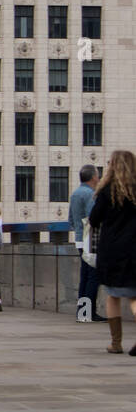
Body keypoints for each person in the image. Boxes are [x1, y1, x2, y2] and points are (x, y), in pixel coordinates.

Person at [88, 151, 136, 355]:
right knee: (134, 296)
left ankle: (116, 343)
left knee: (113, 296)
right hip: (135, 248)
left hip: (113, 250)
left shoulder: (107, 190)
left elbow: (94, 219)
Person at [71, 165, 102, 322]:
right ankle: (89, 312)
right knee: (93, 277)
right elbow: (94, 218)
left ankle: (82, 312)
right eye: (98, 175)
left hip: (79, 239)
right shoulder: (90, 194)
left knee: (84, 276)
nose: (99, 178)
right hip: (89, 238)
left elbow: (71, 218)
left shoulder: (76, 193)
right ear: (93, 177)